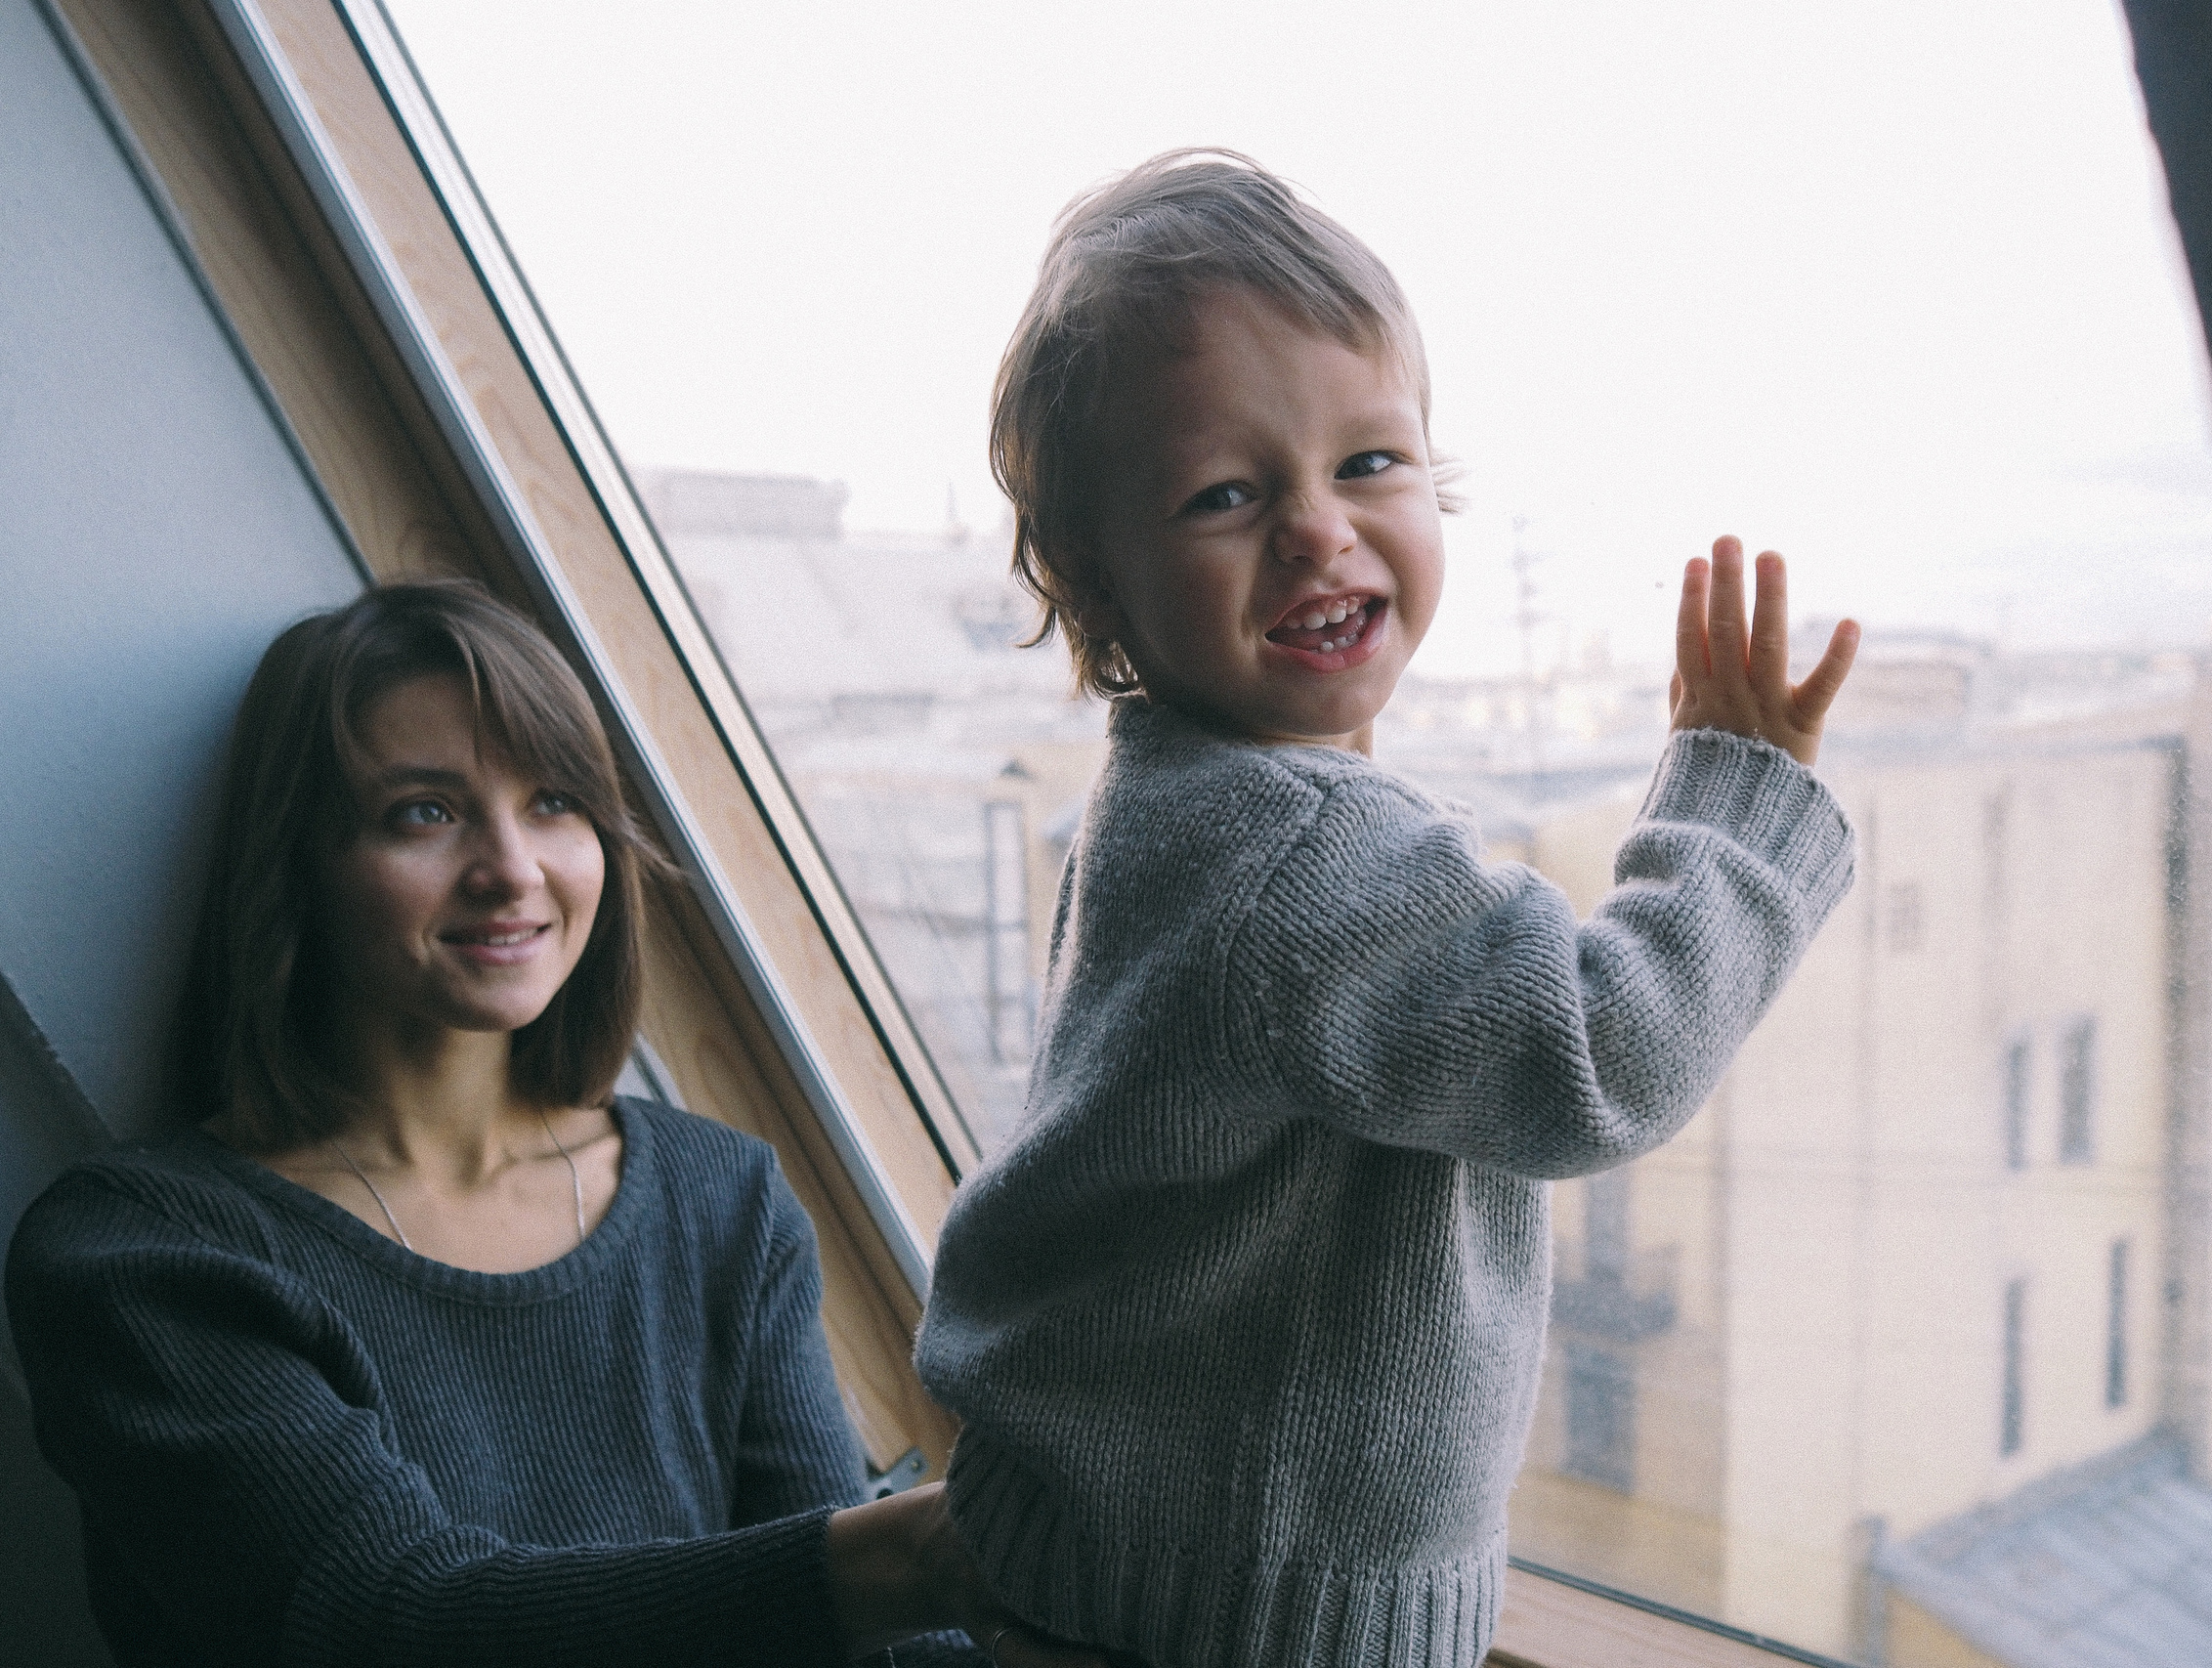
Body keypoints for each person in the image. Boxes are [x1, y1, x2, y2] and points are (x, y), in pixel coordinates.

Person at [912, 150, 1863, 1668]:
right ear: (1099, 581)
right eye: (1226, 494)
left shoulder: (1179, 795)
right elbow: (1597, 1052)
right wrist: (1731, 810)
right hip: (1221, 1618)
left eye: (1367, 462)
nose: (1316, 529)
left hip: (1114, 1559)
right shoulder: (1294, 854)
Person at [6, 581, 1100, 1667]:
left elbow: (841, 1650)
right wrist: (915, 1554)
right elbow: (391, 1626)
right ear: (295, 860)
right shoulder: (141, 1257)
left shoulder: (720, 1199)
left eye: (554, 802)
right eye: (424, 812)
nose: (512, 870)